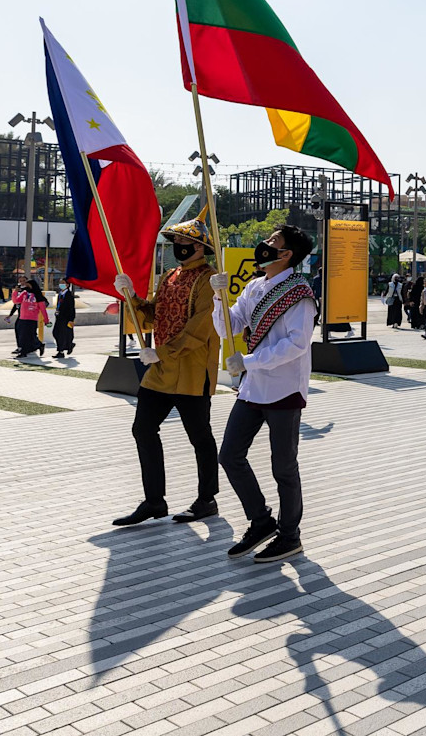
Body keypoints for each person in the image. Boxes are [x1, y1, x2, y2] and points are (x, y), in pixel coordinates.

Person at [215, 224, 317, 561]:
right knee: (230, 455)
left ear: (286, 255)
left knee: (283, 467)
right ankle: (261, 520)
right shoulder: (255, 286)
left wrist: (249, 361)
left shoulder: (299, 293)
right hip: (252, 388)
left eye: (273, 241)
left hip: (284, 388)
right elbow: (227, 326)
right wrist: (218, 297)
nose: (265, 244)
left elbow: (297, 344)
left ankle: (290, 535)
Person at [111, 220, 222, 527]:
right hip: (160, 370)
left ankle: (206, 499)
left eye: (182, 241)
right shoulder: (169, 276)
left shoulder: (210, 279)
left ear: (200, 247)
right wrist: (131, 296)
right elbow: (151, 316)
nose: (177, 246)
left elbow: (201, 327)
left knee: (199, 437)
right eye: (175, 240)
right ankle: (154, 500)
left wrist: (160, 352)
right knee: (142, 429)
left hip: (192, 371)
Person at [7, 280, 50, 359]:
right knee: (22, 336)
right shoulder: (24, 293)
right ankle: (38, 345)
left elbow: (43, 309)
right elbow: (16, 301)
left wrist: (46, 320)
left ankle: (24, 352)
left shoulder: (38, 295)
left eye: (28, 285)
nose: (26, 287)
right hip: (22, 318)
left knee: (27, 336)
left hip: (32, 319)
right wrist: (15, 292)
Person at [52, 281, 77, 358]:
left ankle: (61, 351)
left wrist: (71, 319)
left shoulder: (69, 295)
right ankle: (69, 345)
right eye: (60, 283)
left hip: (66, 318)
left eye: (63, 283)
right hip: (59, 316)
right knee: (56, 332)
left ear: (67, 285)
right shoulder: (60, 294)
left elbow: (71, 308)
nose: (61, 284)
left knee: (62, 334)